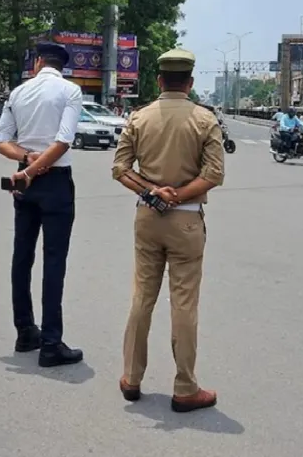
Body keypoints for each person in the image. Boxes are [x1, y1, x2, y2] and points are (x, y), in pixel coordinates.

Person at [112, 48, 224, 413]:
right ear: (189, 82)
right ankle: (185, 387)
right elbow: (214, 174)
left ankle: (131, 377)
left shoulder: (139, 118)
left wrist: (152, 191)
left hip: (147, 217)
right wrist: (178, 196)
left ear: (159, 80)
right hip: (187, 220)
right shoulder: (205, 120)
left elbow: (120, 168)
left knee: (142, 297)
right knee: (184, 304)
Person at [0, 42, 84, 368]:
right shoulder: (70, 91)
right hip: (54, 182)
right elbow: (63, 141)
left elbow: (0, 141)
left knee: (22, 257)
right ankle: (51, 343)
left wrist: (27, 160)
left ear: (38, 63)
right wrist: (34, 168)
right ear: (61, 66)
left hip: (24, 183)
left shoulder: (18, 93)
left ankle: (25, 331)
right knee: (54, 261)